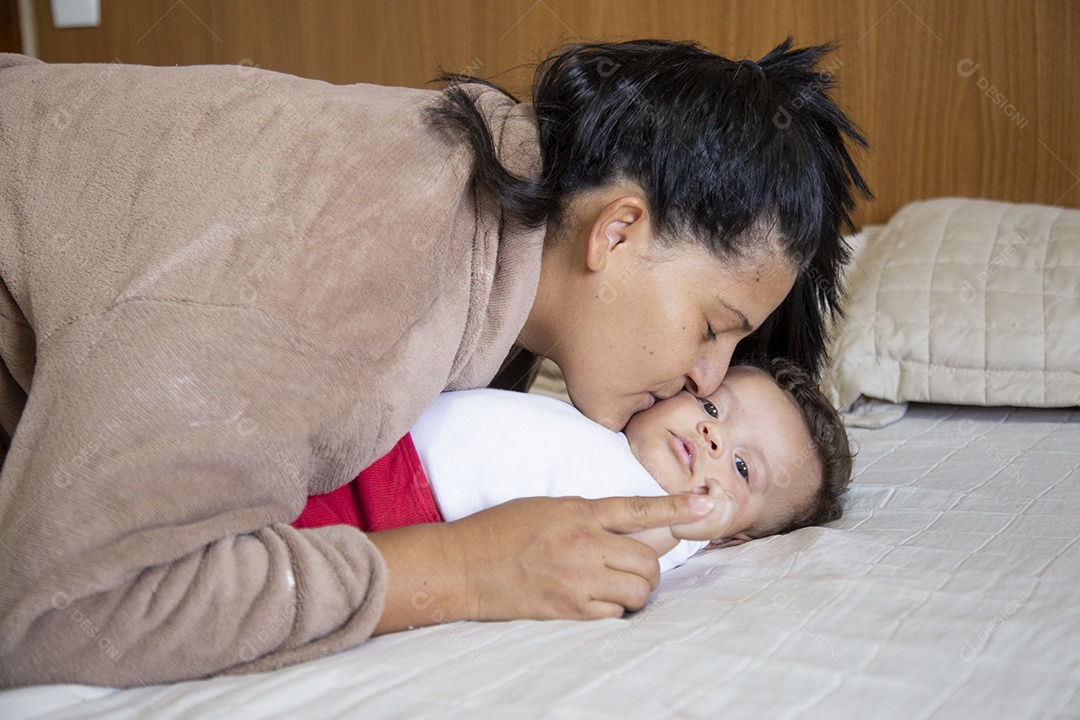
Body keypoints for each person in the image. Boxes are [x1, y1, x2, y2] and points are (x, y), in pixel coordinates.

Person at [0, 37, 868, 687]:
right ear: (619, 231)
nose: (708, 381)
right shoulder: (354, 273)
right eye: (715, 327)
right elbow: (61, 611)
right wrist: (462, 569)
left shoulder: (493, 235)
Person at [296, 359, 854, 574]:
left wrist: (692, 522)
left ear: (732, 539)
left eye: (740, 465)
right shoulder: (603, 419)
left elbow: (637, 541)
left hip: (389, 502)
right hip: (372, 435)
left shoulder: (671, 528)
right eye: (712, 407)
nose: (712, 433)